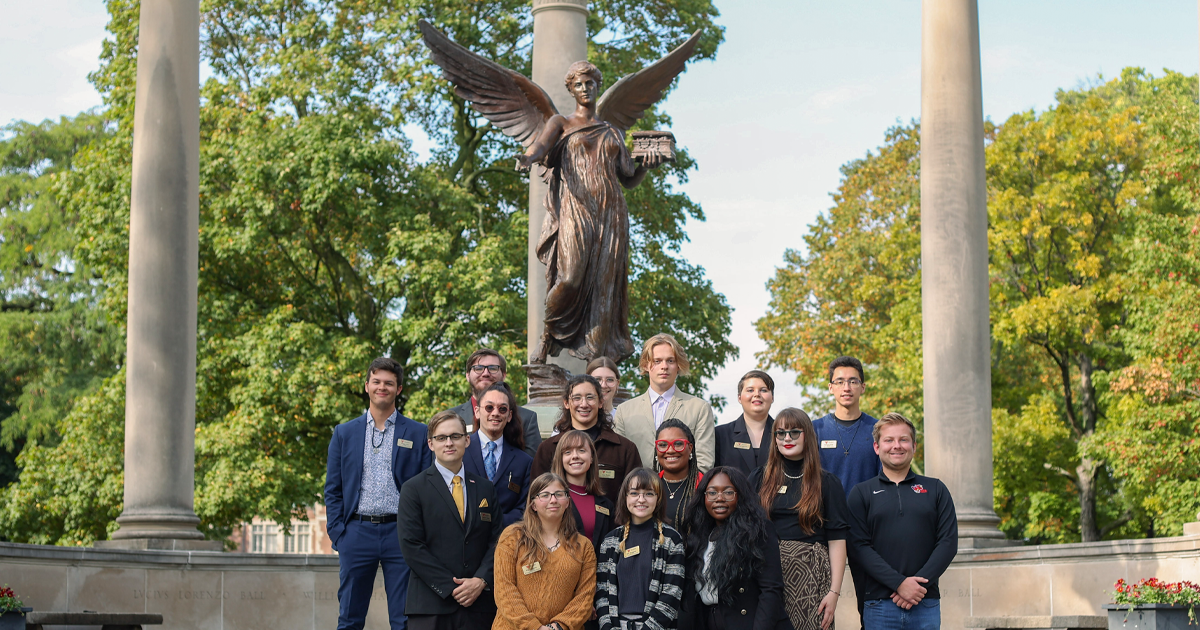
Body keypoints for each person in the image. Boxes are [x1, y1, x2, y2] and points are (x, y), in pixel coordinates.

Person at [325, 357, 432, 630]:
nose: (382, 387)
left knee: (405, 619)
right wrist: (339, 532)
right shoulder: (344, 433)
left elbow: (426, 487)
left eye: (389, 383)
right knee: (349, 617)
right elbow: (333, 488)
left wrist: (419, 532)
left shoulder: (419, 433)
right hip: (356, 533)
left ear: (398, 389)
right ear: (367, 386)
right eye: (376, 382)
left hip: (401, 533)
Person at [847, 413, 958, 630]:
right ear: (877, 447)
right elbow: (858, 547)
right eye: (889, 440)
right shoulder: (861, 493)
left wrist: (916, 586)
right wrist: (898, 583)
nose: (896, 446)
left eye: (903, 440)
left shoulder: (936, 489)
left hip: (925, 601)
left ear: (914, 446)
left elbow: (948, 543)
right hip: (879, 604)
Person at [397, 411, 503, 630]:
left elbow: (498, 541)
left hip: (479, 605)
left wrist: (481, 580)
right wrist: (451, 587)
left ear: (466, 440)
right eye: (441, 437)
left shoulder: (485, 488)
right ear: (430, 444)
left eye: (455, 436)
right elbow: (412, 546)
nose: (449, 443)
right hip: (431, 605)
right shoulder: (413, 489)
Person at [750, 409, 850, 630]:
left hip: (810, 578)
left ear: (808, 435)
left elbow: (837, 540)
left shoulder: (827, 482)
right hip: (765, 576)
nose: (787, 438)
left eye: (795, 432)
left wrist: (834, 592)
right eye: (781, 433)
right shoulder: (759, 478)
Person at [810, 357, 880, 628]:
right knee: (821, 601)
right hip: (825, 526)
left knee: (871, 599)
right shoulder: (815, 429)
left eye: (853, 381)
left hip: (867, 527)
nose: (846, 387)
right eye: (839, 381)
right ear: (830, 387)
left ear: (863, 387)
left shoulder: (876, 430)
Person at [681, 466, 784, 630]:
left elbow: (771, 590)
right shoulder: (698, 534)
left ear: (740, 496)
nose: (719, 498)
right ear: (703, 498)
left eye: (728, 492)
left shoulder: (758, 530)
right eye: (712, 493)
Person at [493, 473, 599, 630]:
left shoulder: (583, 546)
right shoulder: (512, 537)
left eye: (559, 494)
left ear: (568, 502)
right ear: (533, 504)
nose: (553, 500)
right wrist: (535, 627)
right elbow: (504, 591)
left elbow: (585, 598)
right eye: (545, 495)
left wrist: (558, 626)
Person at [594, 468, 686, 630]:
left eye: (649, 493)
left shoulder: (671, 539)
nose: (641, 499)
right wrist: (608, 627)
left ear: (658, 499)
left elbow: (672, 593)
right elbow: (601, 591)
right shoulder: (610, 540)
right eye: (634, 493)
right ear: (625, 497)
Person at [613, 333, 716, 471]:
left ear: (678, 365)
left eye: (670, 361)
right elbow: (618, 461)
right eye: (657, 361)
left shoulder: (699, 408)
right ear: (645, 365)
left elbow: (704, 463)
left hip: (685, 491)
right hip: (637, 490)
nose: (664, 366)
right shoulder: (624, 411)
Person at [534, 374, 642, 500]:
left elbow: (636, 497)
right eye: (577, 398)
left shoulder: (624, 449)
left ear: (601, 402)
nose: (584, 404)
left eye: (590, 397)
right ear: (566, 403)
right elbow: (536, 497)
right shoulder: (548, 449)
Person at [463, 382, 533, 527]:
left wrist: (497, 523)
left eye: (502, 409)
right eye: (489, 407)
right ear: (477, 411)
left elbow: (524, 508)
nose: (495, 413)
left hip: (507, 541)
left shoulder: (524, 462)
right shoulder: (460, 452)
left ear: (509, 416)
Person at [449, 348, 542, 457]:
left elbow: (534, 466)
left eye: (493, 368)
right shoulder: (450, 418)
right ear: (468, 375)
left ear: (503, 375)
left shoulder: (527, 418)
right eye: (478, 368)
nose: (485, 373)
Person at [549, 429, 616, 553]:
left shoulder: (606, 505)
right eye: (568, 452)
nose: (575, 456)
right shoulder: (549, 499)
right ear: (561, 459)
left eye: (581, 450)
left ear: (591, 458)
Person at [715, 370, 776, 475]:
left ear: (772, 398)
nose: (757, 394)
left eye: (764, 390)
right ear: (739, 398)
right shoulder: (720, 435)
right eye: (750, 390)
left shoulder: (784, 434)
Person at [654, 419, 704, 527]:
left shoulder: (706, 486)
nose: (670, 450)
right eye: (662, 445)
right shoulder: (650, 485)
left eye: (678, 444)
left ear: (690, 448)